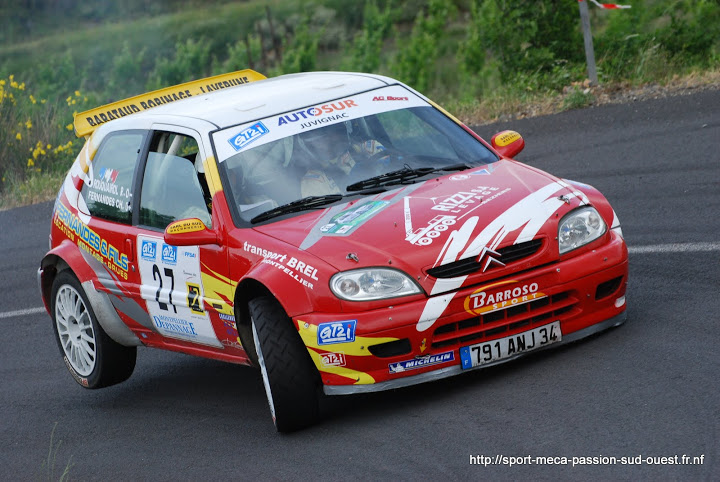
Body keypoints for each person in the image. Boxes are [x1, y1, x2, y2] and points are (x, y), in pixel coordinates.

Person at [298, 121, 387, 197]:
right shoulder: (313, 179)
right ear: (311, 144)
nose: (336, 136)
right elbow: (324, 213)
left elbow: (394, 167)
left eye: (338, 129)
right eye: (321, 139)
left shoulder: (369, 148)